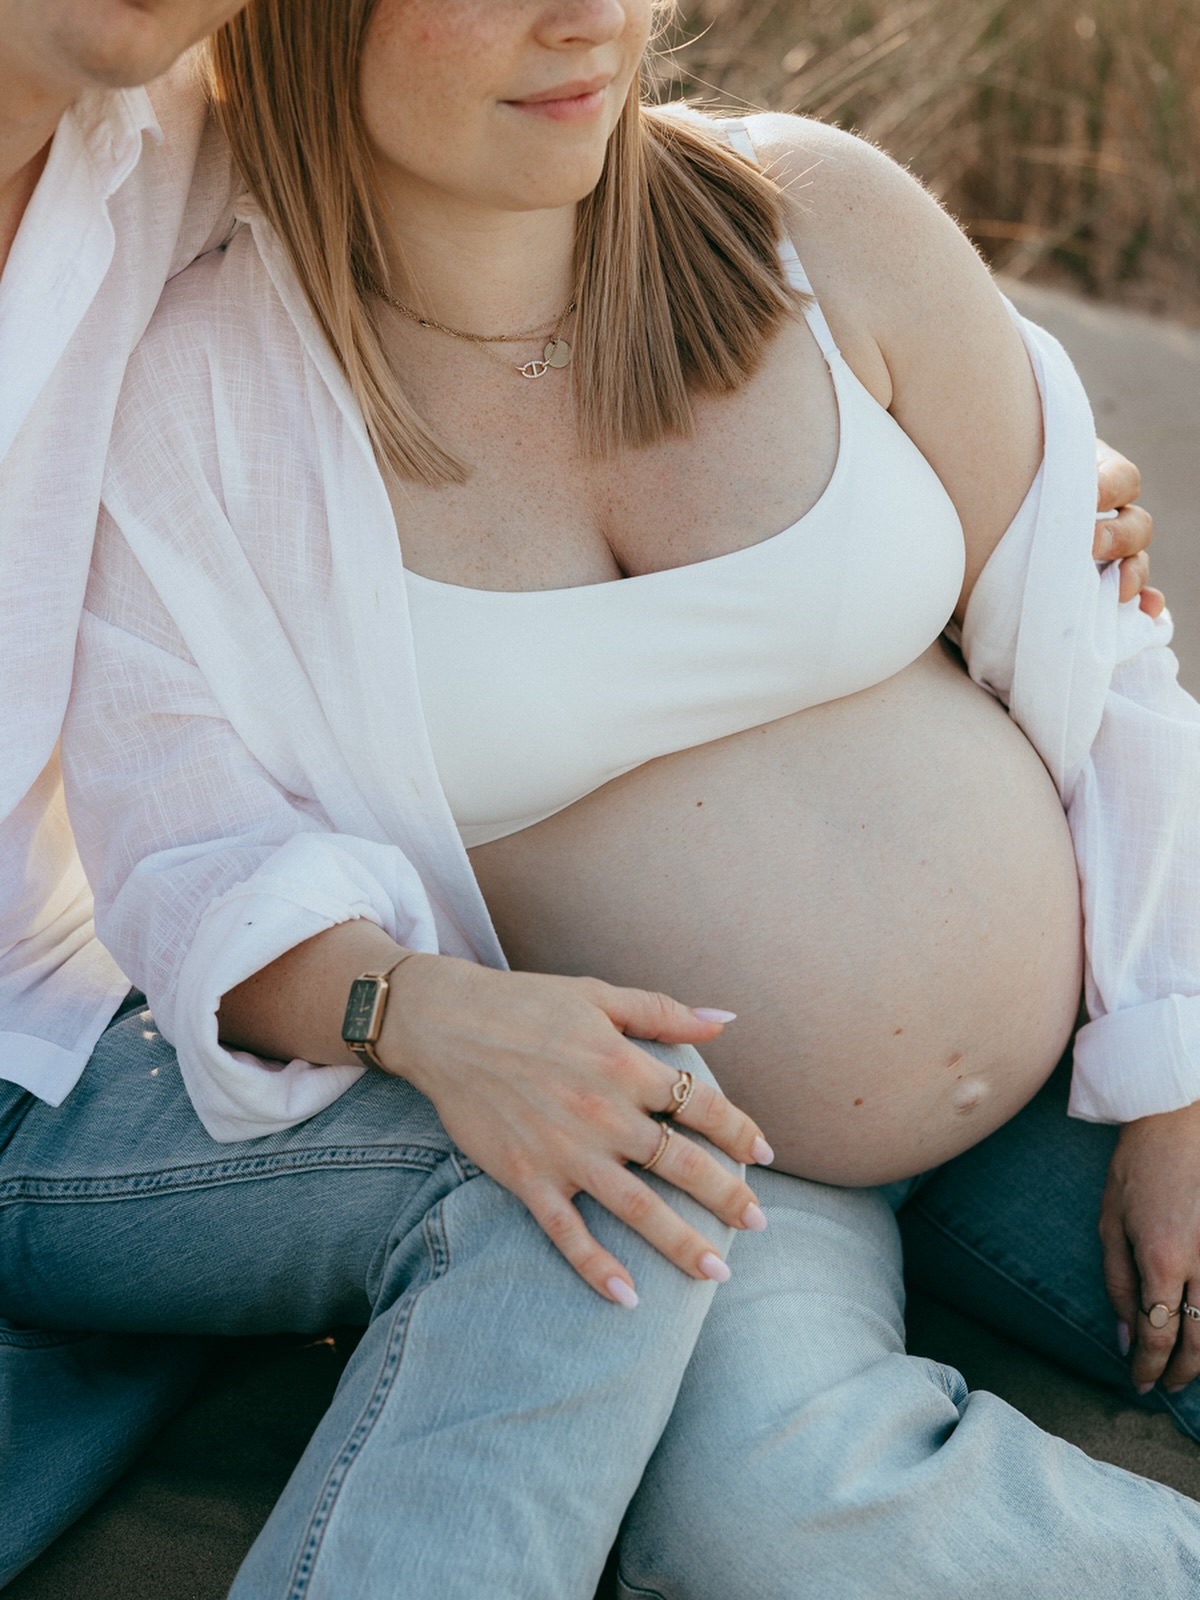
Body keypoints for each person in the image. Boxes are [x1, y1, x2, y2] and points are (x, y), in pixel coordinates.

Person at [0, 6, 1185, 1600]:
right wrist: (412, 1012)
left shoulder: (804, 220)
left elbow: (1103, 652)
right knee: (766, 1507)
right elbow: (197, 857)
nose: (585, 18)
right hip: (714, 1149)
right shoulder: (208, 396)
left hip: (1096, 1045)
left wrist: (1178, 1073)